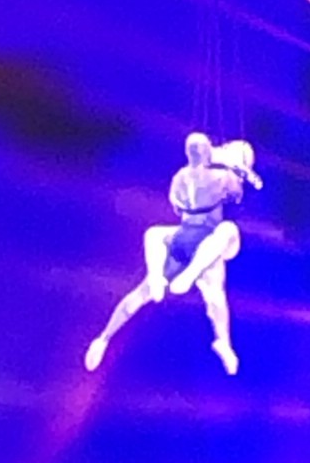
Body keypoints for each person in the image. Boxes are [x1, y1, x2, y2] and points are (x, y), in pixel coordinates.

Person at [83, 132, 255, 376]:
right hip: (192, 239)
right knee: (157, 238)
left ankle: (220, 336)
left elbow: (234, 189)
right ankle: (106, 336)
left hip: (208, 242)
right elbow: (186, 201)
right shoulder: (195, 176)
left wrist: (231, 164)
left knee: (222, 236)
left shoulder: (220, 177)